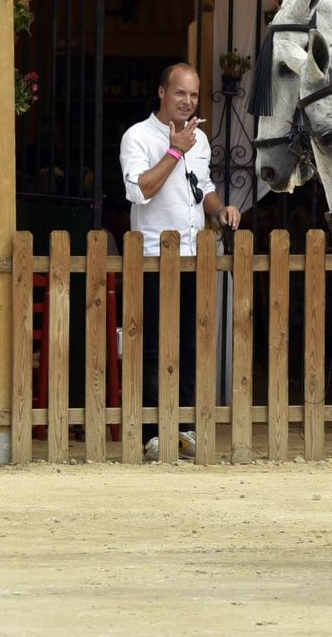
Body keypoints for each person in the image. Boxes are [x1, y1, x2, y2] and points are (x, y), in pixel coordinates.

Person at [119, 62, 240, 460]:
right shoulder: (137, 136)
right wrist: (175, 150)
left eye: (193, 94)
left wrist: (221, 208)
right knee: (153, 346)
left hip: (193, 255)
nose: (188, 101)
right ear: (161, 92)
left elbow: (203, 187)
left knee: (191, 342)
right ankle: (153, 434)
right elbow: (140, 191)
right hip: (153, 256)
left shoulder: (200, 140)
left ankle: (185, 429)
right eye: (180, 93)